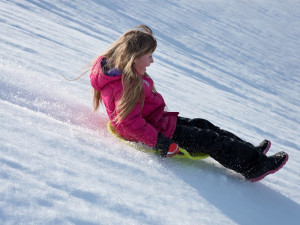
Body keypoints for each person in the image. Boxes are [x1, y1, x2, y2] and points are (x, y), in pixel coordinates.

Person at [89, 25, 288, 182]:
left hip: (158, 122)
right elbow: (129, 124)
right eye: (149, 56)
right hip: (157, 133)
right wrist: (159, 143)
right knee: (210, 140)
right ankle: (255, 167)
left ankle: (251, 151)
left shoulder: (126, 76)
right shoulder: (125, 85)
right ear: (133, 58)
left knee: (204, 124)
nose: (152, 61)